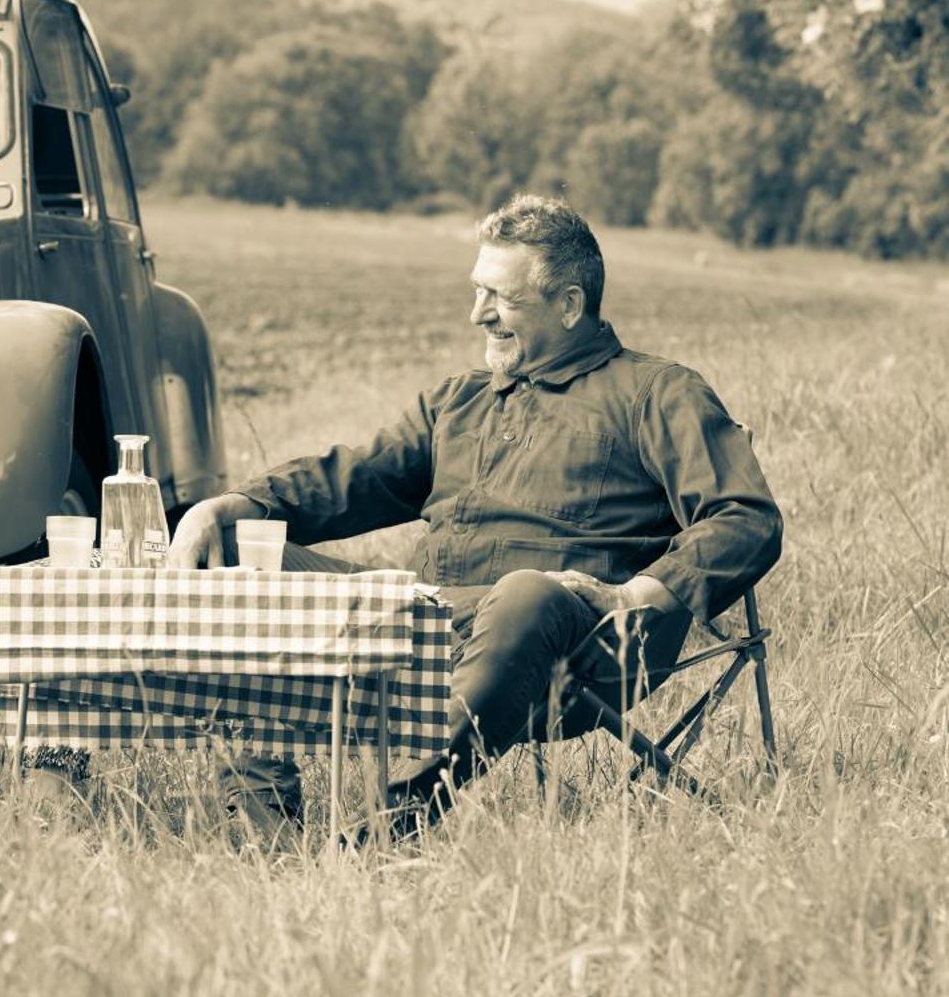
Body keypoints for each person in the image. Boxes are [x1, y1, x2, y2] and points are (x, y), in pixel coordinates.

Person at [168, 195, 783, 839]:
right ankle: (264, 829)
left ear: (570, 305)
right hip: (421, 622)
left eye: (500, 298)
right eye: (477, 291)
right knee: (243, 549)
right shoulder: (459, 402)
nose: (477, 314)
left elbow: (746, 517)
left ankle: (393, 821)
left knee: (527, 590)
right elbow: (354, 475)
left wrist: (637, 591)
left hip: (578, 645)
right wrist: (232, 505)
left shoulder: (656, 392)